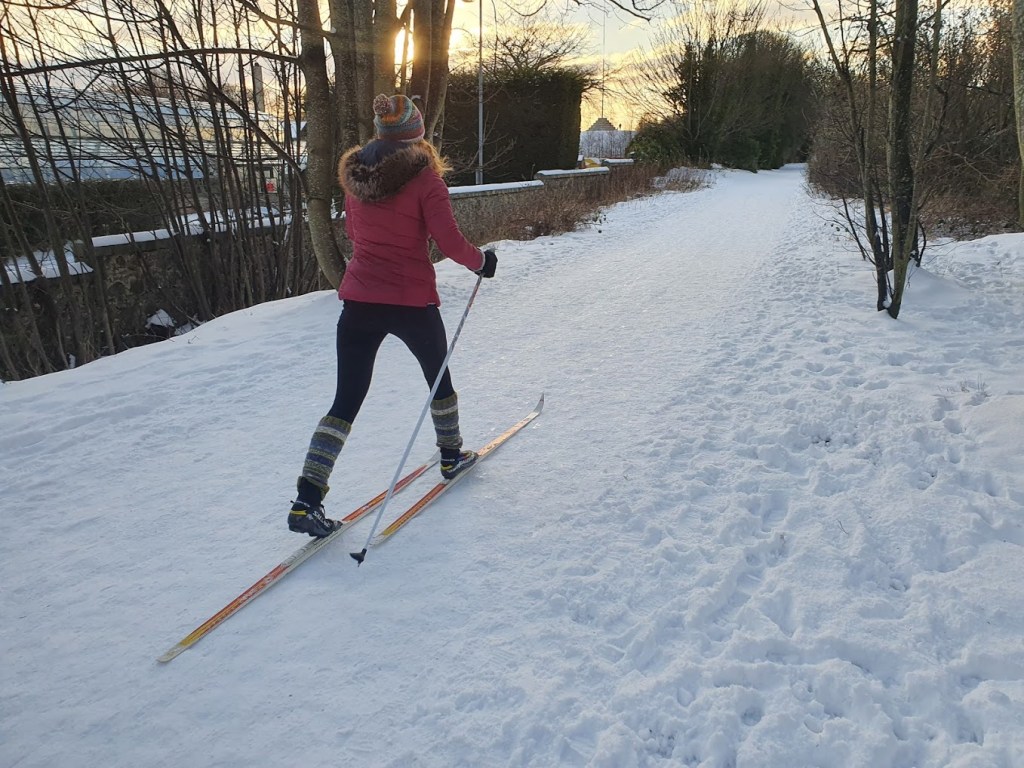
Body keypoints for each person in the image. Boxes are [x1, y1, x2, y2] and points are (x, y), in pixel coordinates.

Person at [288, 93, 498, 538]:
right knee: (439, 379)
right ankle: (450, 454)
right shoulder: (427, 179)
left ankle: (307, 500)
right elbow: (449, 240)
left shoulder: (356, 177)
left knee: (345, 401)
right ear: (416, 135)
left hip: (359, 302)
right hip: (411, 301)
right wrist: (482, 262)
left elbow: (352, 232)